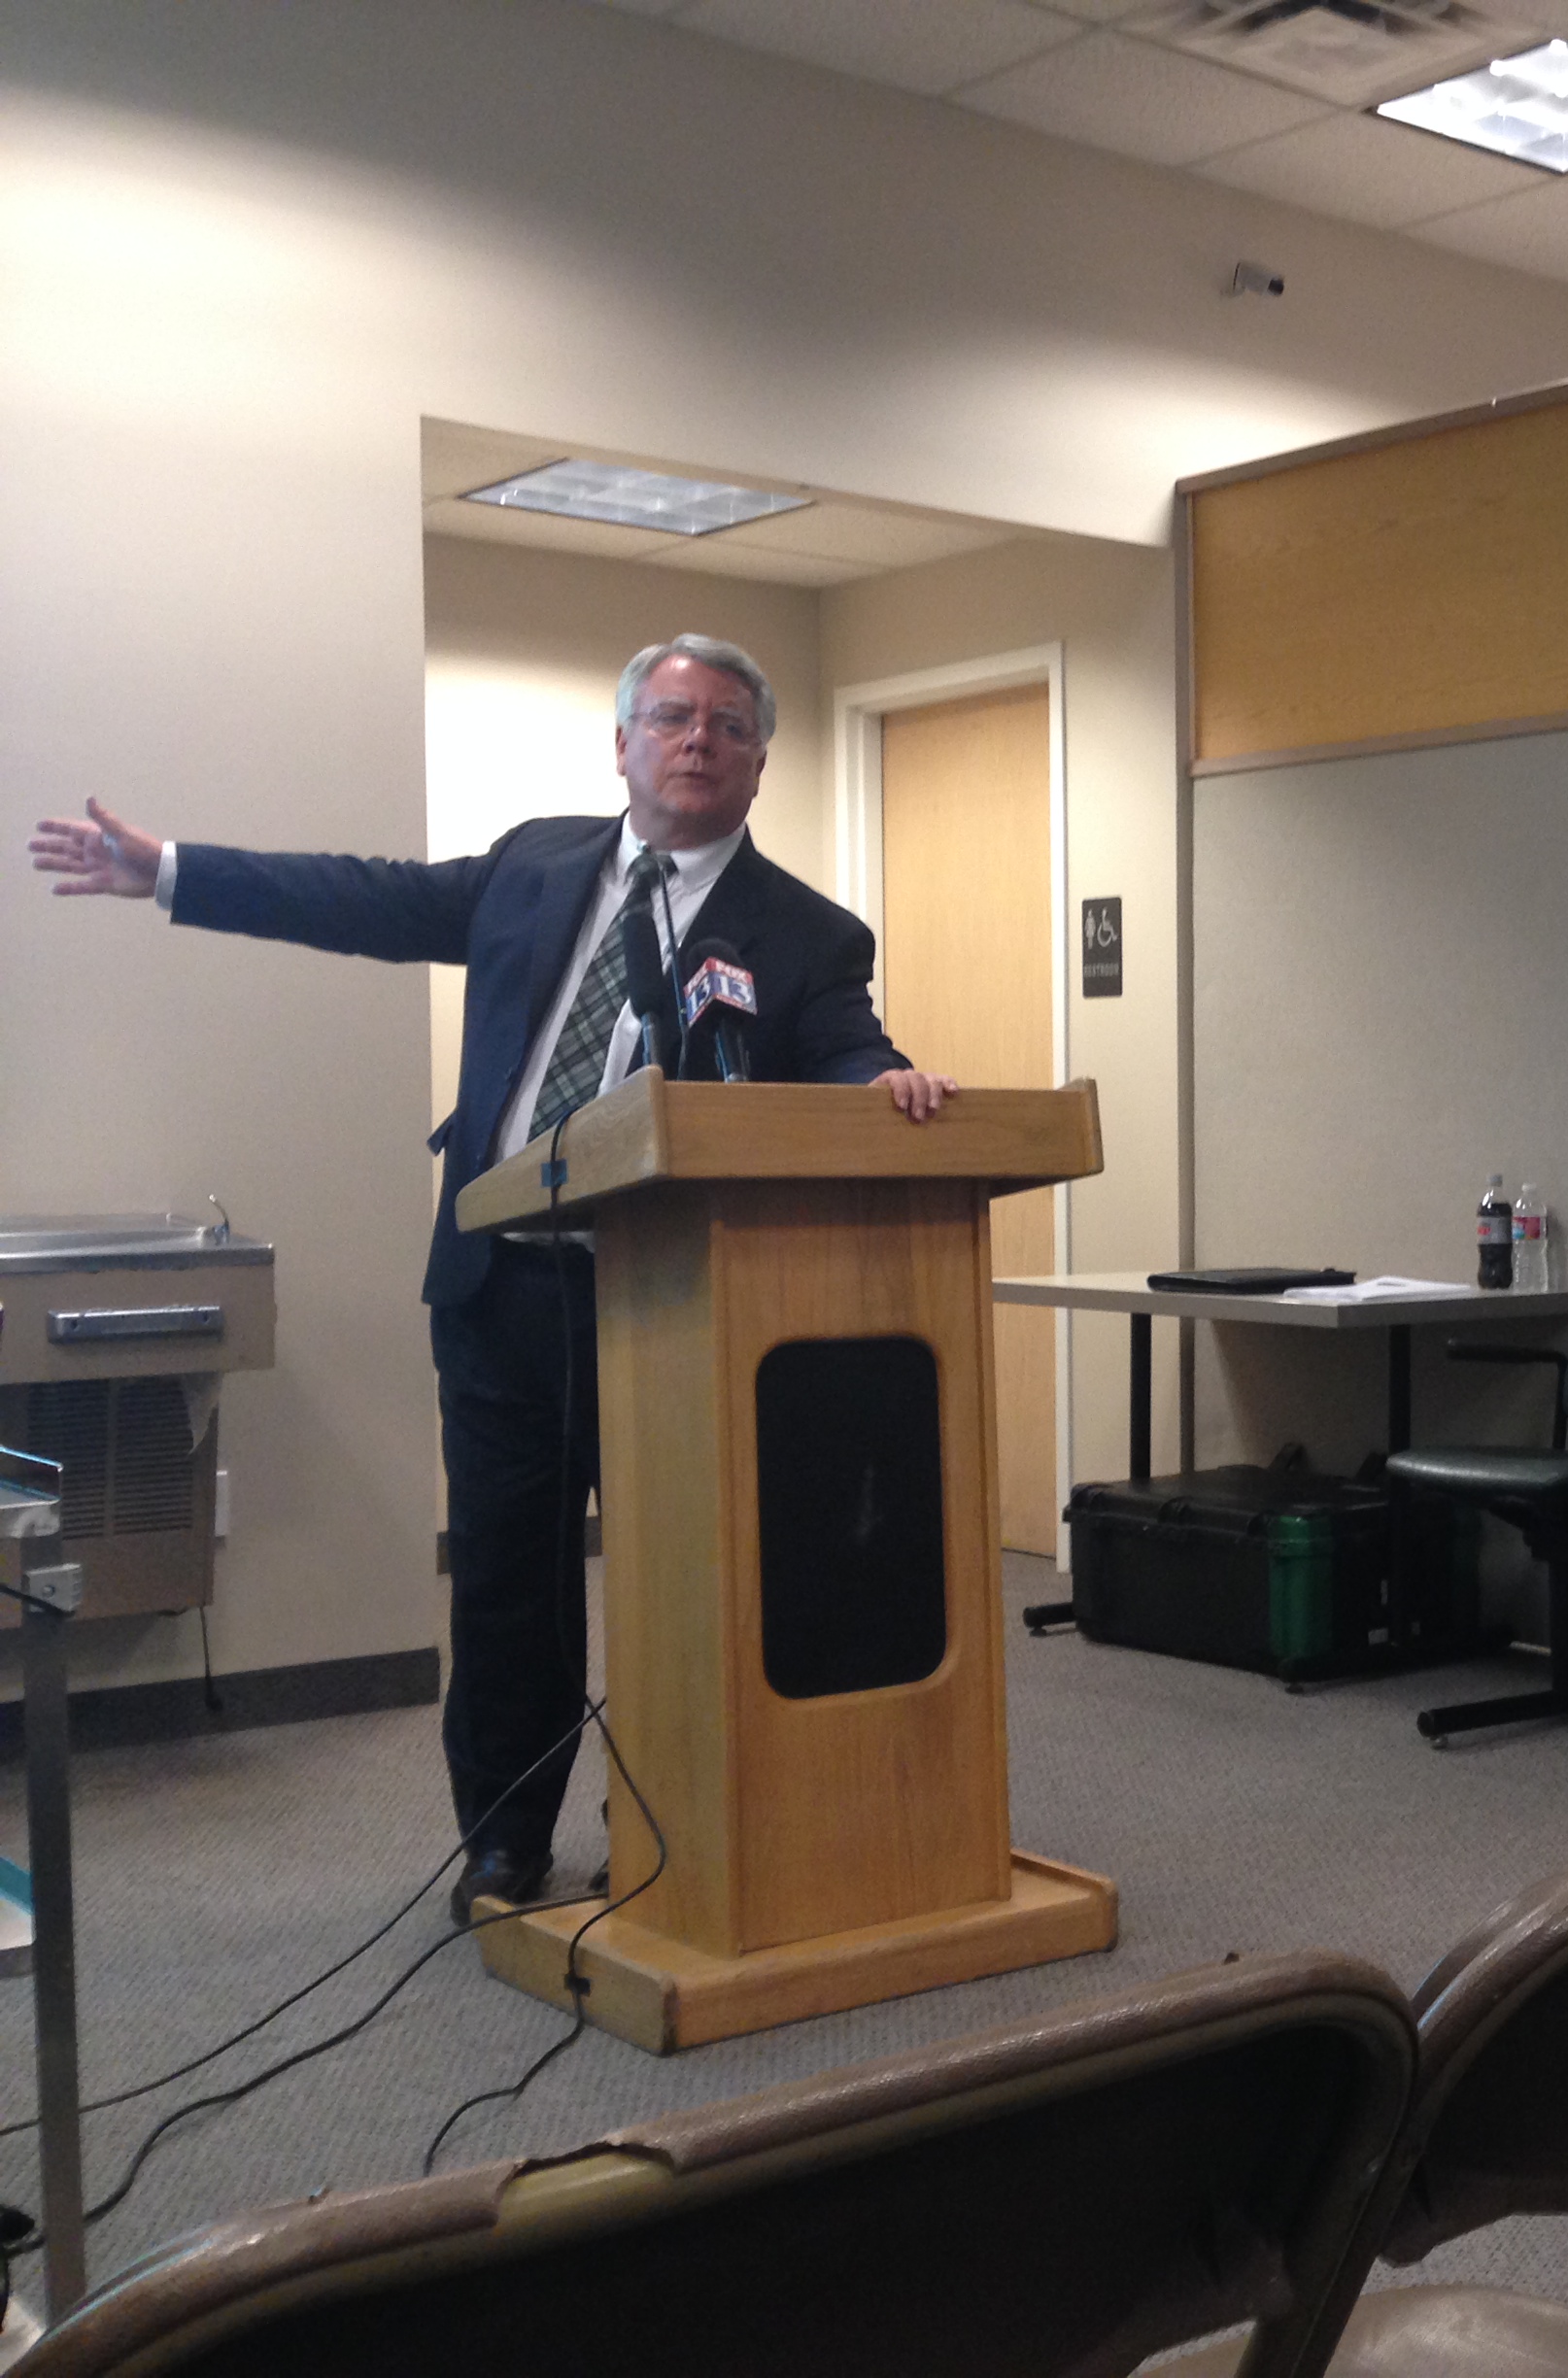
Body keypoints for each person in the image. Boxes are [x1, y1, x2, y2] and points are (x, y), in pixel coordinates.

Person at [28, 634, 960, 1924]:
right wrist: (172, 873)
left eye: (730, 726)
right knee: (513, 1587)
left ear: (759, 763)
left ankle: (679, 1827)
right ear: (623, 744)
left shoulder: (806, 932)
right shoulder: (535, 864)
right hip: (504, 1295)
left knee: (694, 1587)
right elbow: (370, 899)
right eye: (675, 718)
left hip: (681, 1307)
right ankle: (507, 1844)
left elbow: (851, 1048)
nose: (699, 740)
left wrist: (888, 1086)